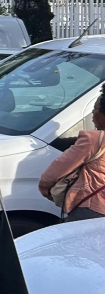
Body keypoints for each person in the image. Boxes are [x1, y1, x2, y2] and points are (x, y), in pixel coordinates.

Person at [40, 86, 105, 222]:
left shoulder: (94, 140)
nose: (92, 116)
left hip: (93, 209)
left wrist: (45, 189)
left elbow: (57, 169)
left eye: (94, 110)